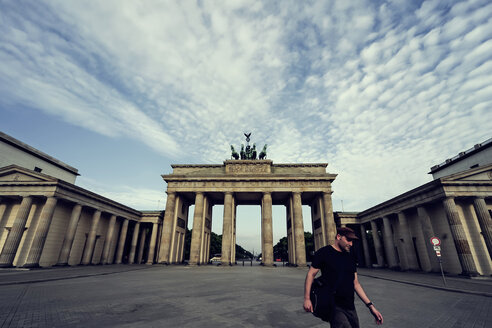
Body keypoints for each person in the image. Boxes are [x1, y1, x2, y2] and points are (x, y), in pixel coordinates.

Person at [303, 227, 383, 327]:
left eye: (352, 241)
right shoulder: (324, 253)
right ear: (338, 237)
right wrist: (307, 298)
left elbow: (356, 283)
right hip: (333, 305)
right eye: (348, 240)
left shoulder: (350, 257)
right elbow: (311, 274)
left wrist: (370, 306)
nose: (351, 244)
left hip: (350, 306)